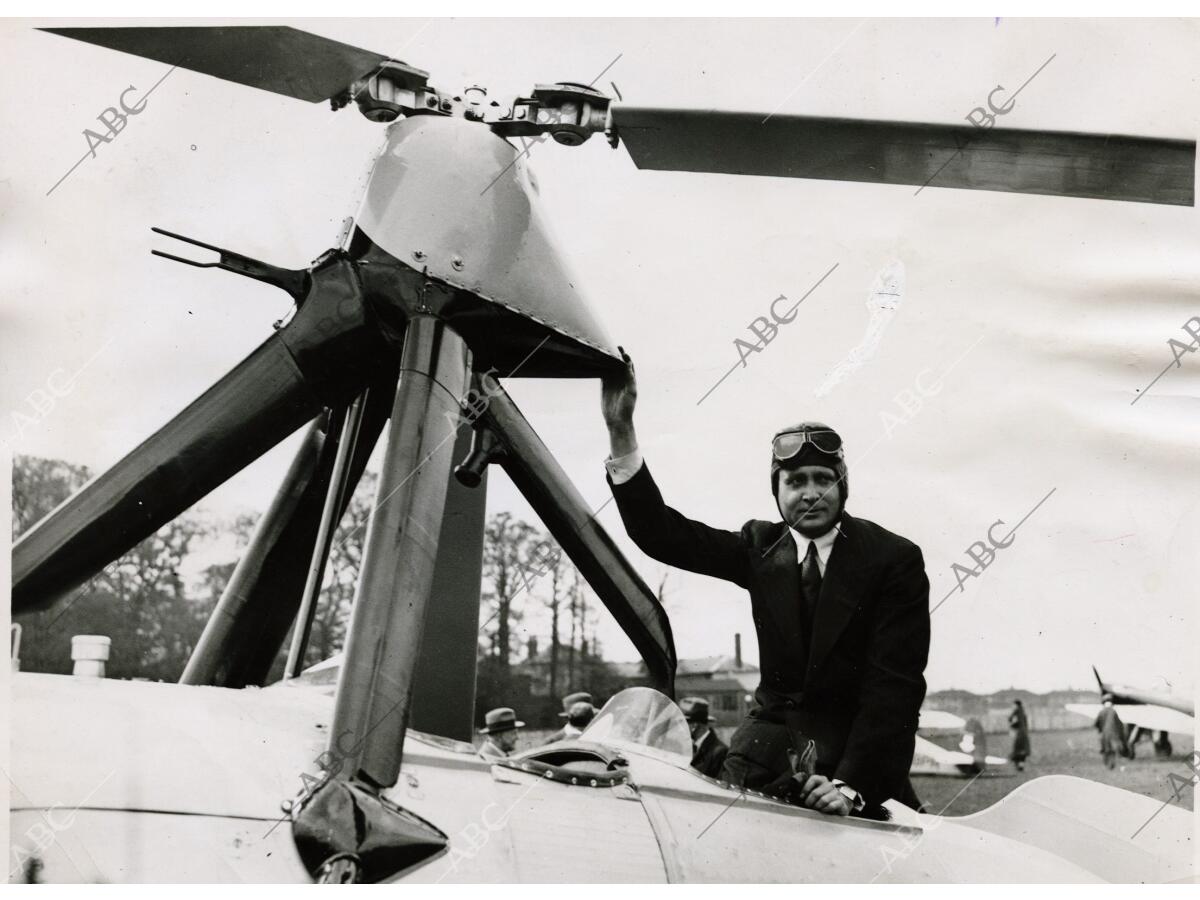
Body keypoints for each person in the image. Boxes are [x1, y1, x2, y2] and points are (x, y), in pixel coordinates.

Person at [600, 350, 930, 817]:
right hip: (763, 747)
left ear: (843, 486)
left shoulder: (893, 559)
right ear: (777, 490)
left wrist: (851, 787)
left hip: (854, 757)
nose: (810, 492)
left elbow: (894, 689)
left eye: (823, 479)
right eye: (795, 480)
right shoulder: (759, 546)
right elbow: (661, 534)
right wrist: (621, 430)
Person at [680, 697, 729, 778]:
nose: (680, 728)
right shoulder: (687, 747)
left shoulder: (719, 752)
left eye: (683, 723)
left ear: (694, 726)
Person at [1094, 695, 1130, 769]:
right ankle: (1111, 765)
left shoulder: (1101, 712)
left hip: (1104, 734)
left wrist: (1100, 729)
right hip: (1114, 734)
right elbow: (1119, 724)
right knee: (1113, 750)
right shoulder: (1113, 711)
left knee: (1106, 749)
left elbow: (1096, 723)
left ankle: (1107, 764)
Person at [1008, 699, 1030, 771]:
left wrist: (1011, 725)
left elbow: (1010, 718)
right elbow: (1023, 723)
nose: (1013, 706)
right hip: (1025, 734)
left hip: (1020, 734)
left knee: (1017, 749)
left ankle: (1018, 765)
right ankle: (1021, 765)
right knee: (1023, 750)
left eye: (1013, 705)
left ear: (1016, 705)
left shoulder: (1017, 710)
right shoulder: (1023, 712)